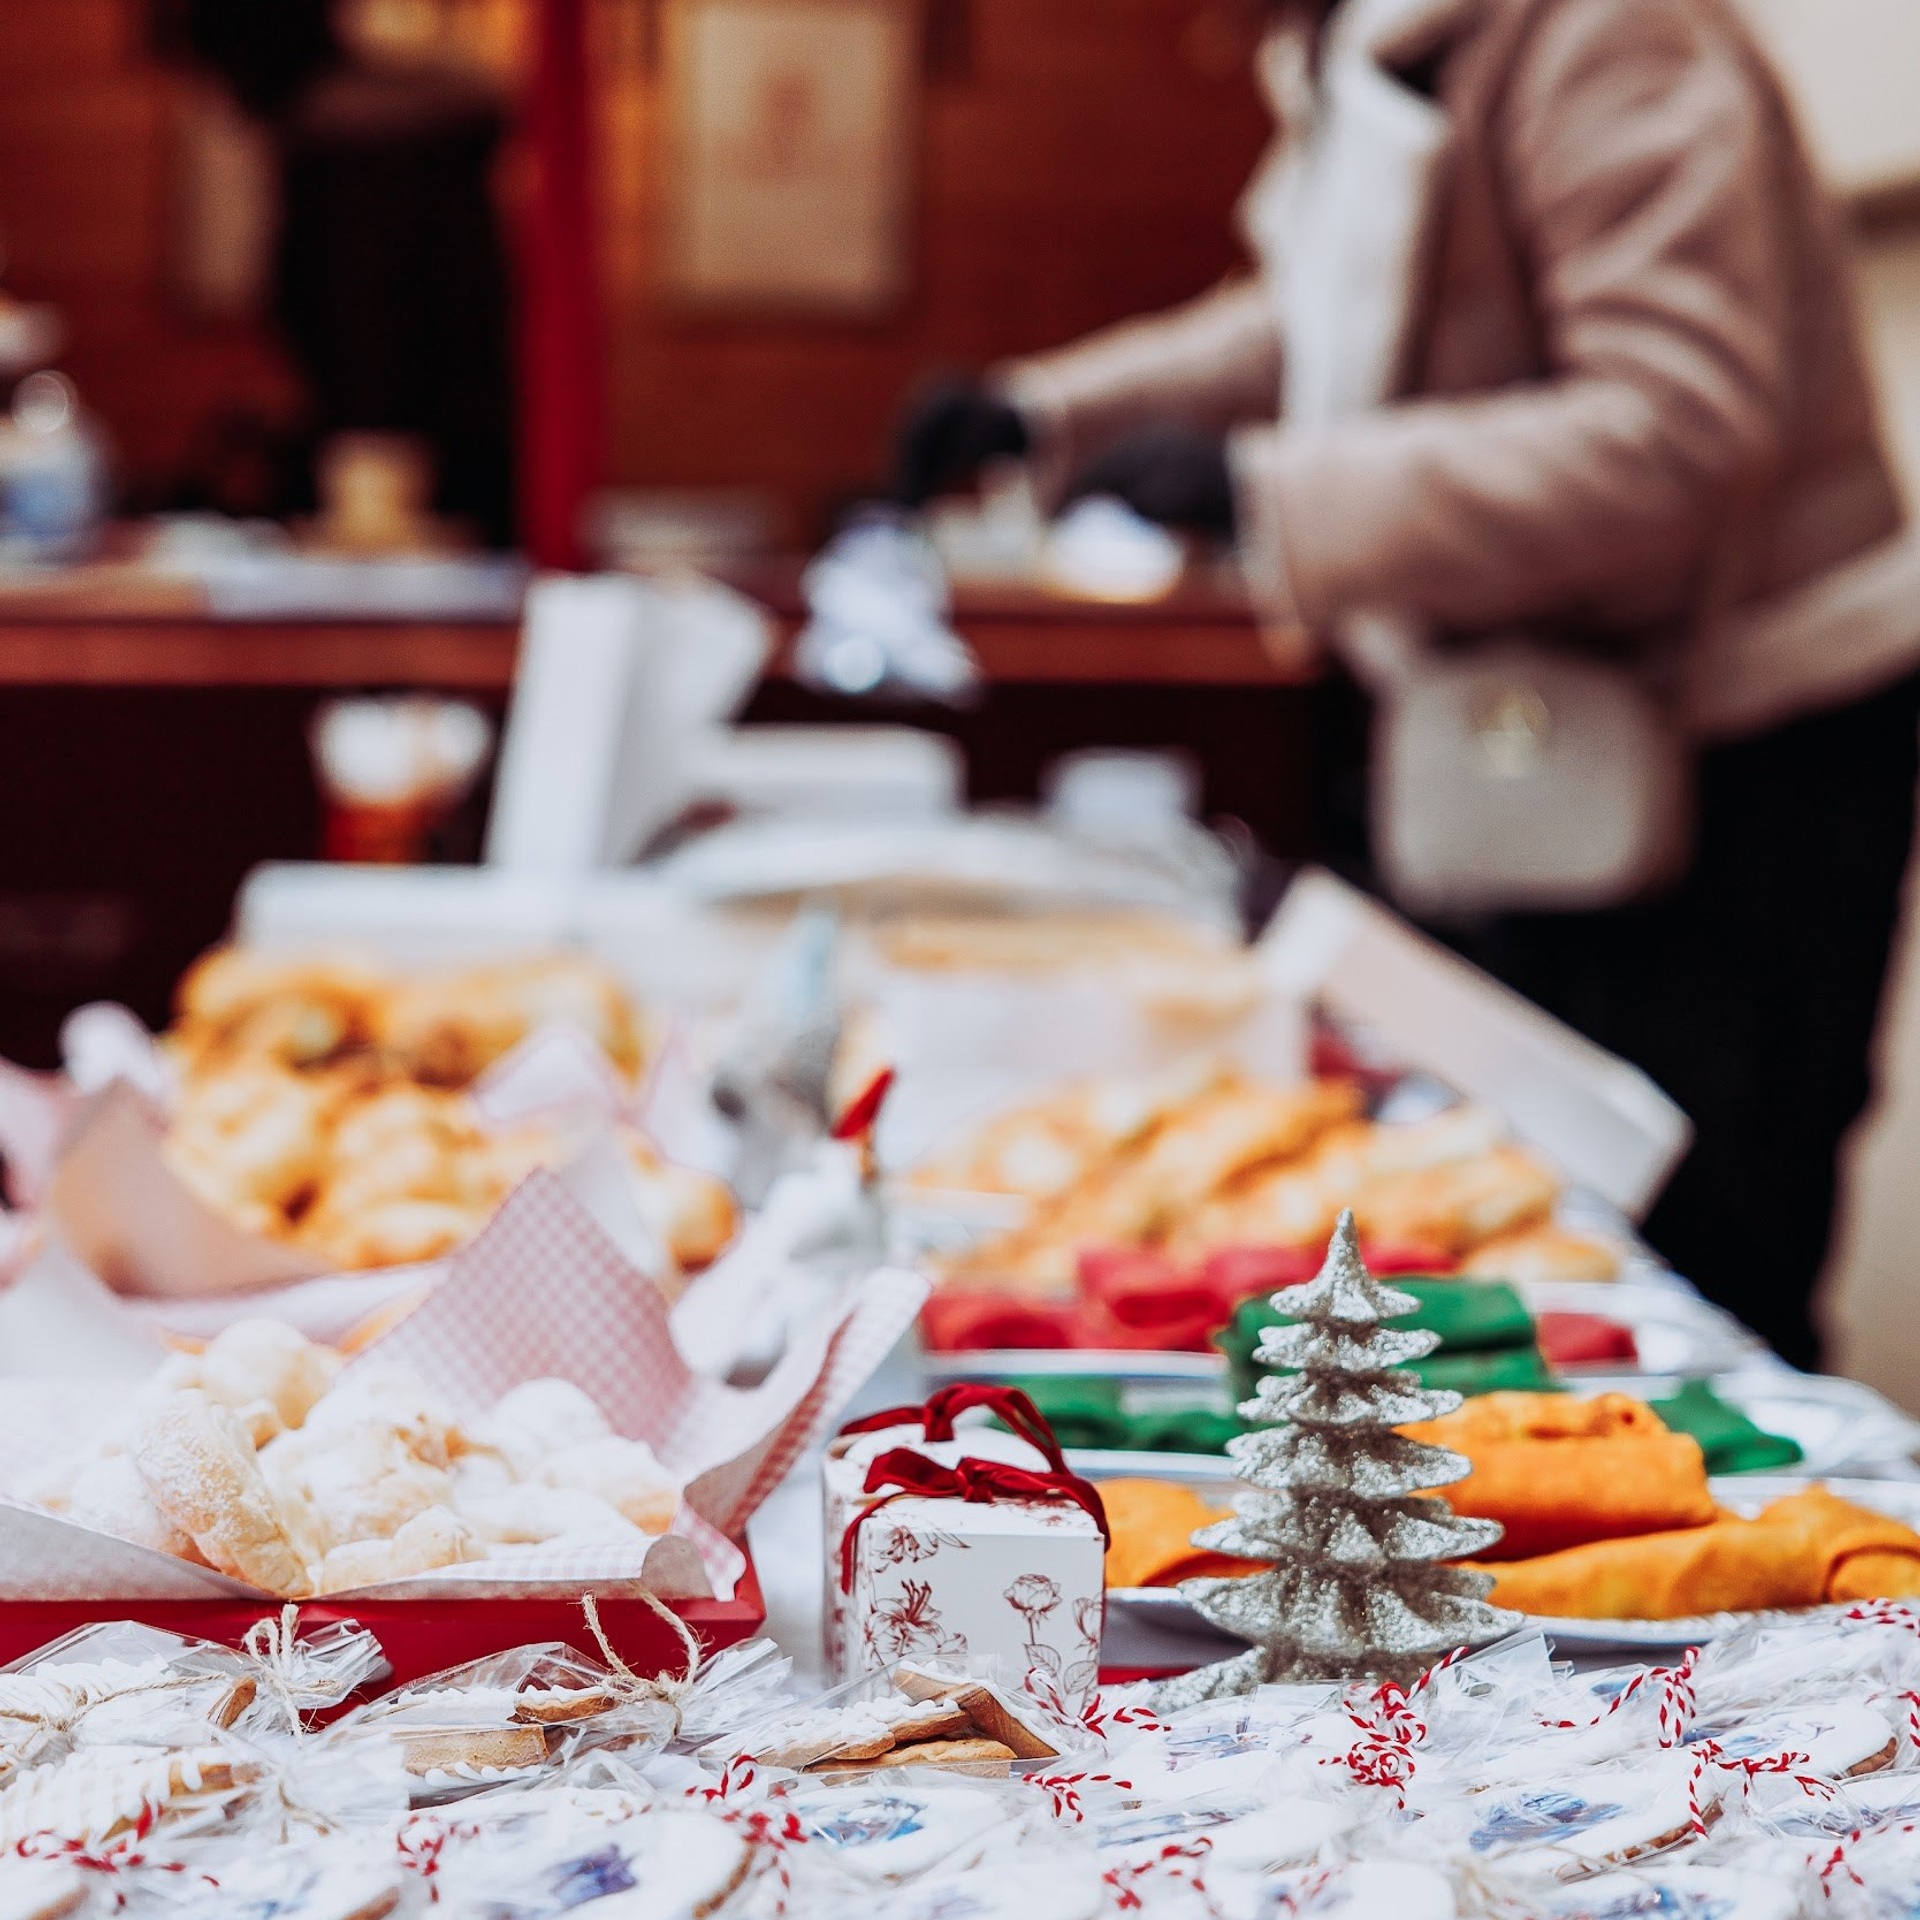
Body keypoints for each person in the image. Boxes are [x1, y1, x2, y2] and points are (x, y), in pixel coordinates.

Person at [893, 0, 1920, 1370]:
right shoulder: (1364, 43)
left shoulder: (1609, 36)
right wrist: (1057, 415)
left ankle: (1813, 1571)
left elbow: (1676, 429)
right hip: (1545, 747)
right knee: (1526, 1246)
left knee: (1699, 1277)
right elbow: (1318, 326)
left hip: (1739, 766)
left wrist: (1264, 491)